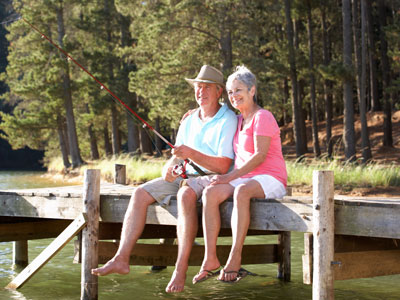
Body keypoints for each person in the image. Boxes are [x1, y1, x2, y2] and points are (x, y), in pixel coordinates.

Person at [91, 65, 238, 293]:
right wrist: (167, 170)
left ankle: (180, 269)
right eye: (198, 87)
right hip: (184, 175)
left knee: (185, 193)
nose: (201, 92)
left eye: (207, 87)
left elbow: (223, 165)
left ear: (219, 91)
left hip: (210, 179)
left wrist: (190, 154)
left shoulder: (228, 119)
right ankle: (121, 258)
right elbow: (176, 158)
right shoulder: (189, 120)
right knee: (140, 193)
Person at [191, 65, 287, 283]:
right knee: (210, 193)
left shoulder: (263, 117)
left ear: (252, 90)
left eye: (239, 90)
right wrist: (193, 115)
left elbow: (260, 156)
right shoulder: (237, 120)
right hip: (245, 178)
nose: (234, 96)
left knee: (241, 191)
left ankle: (235, 256)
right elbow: (212, 115)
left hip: (270, 177)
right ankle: (210, 258)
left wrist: (228, 177)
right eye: (230, 92)